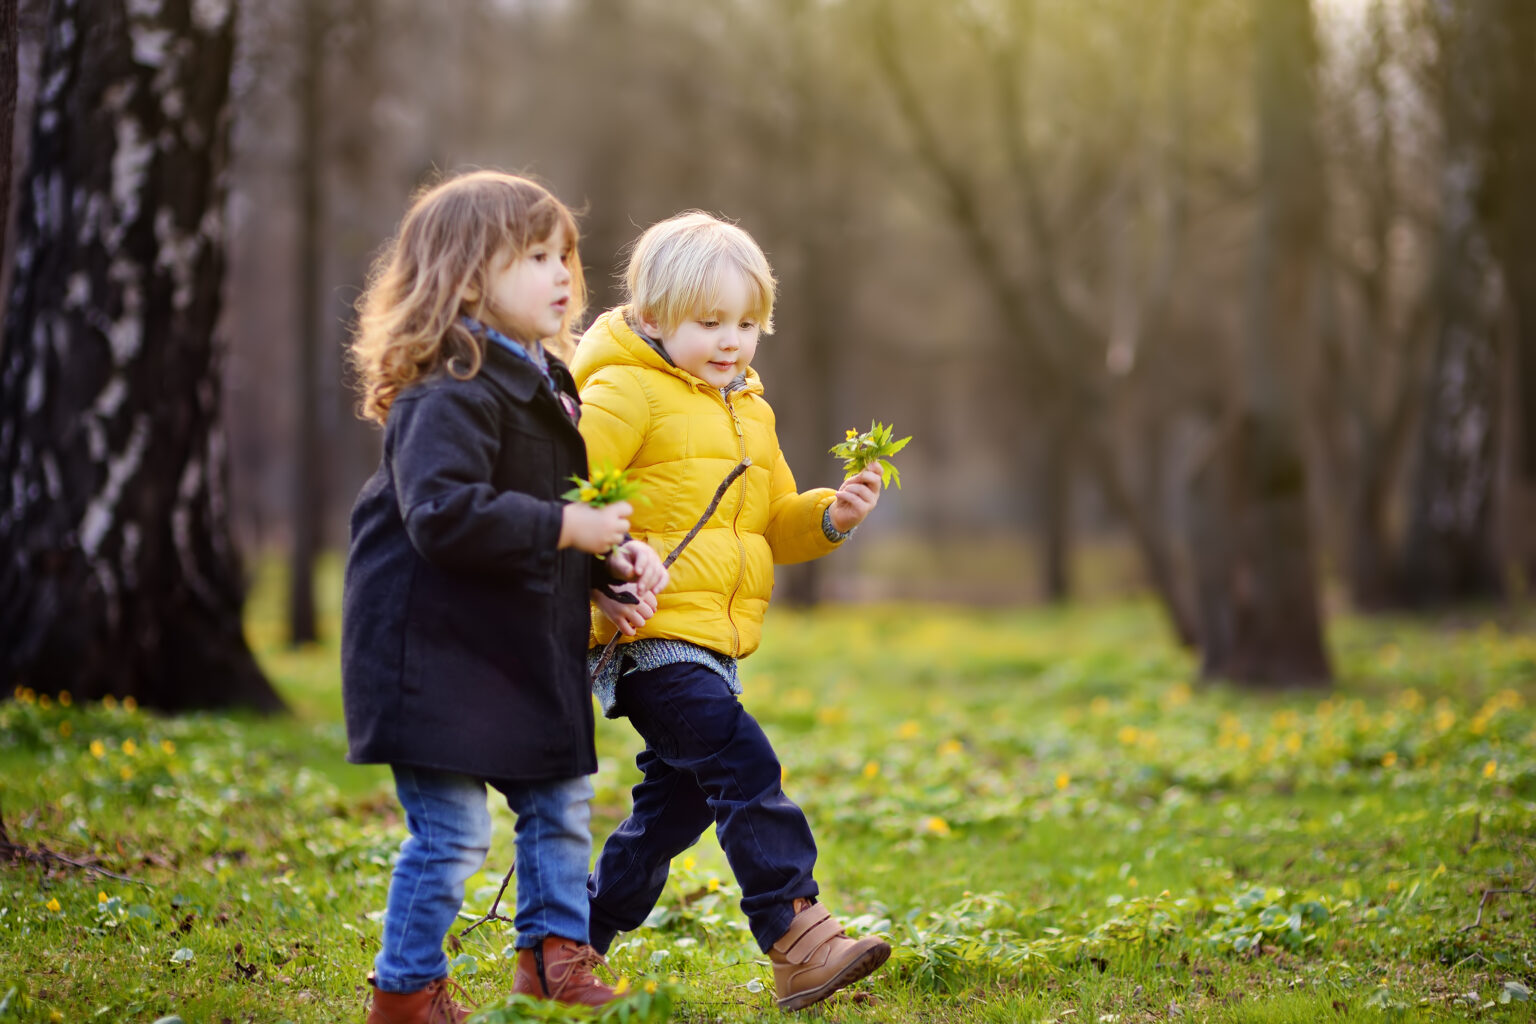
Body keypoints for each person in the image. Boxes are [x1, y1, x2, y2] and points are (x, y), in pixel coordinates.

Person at [341, 170, 667, 1024]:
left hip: (521, 641)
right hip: (432, 647)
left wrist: (613, 565)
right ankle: (406, 994)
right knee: (451, 833)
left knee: (557, 802)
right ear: (466, 274)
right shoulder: (447, 386)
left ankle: (554, 960)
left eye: (566, 254)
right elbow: (444, 515)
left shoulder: (550, 382)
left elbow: (564, 509)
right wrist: (568, 530)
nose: (564, 274)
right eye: (535, 256)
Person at [571, 211, 890, 1012]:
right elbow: (568, 486)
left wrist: (832, 514)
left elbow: (772, 522)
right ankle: (797, 934)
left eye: (747, 323)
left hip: (713, 646)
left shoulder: (750, 410)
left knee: (670, 811)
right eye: (708, 322)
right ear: (651, 318)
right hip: (648, 636)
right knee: (744, 762)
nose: (731, 340)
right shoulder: (622, 389)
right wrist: (609, 564)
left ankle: (573, 935)